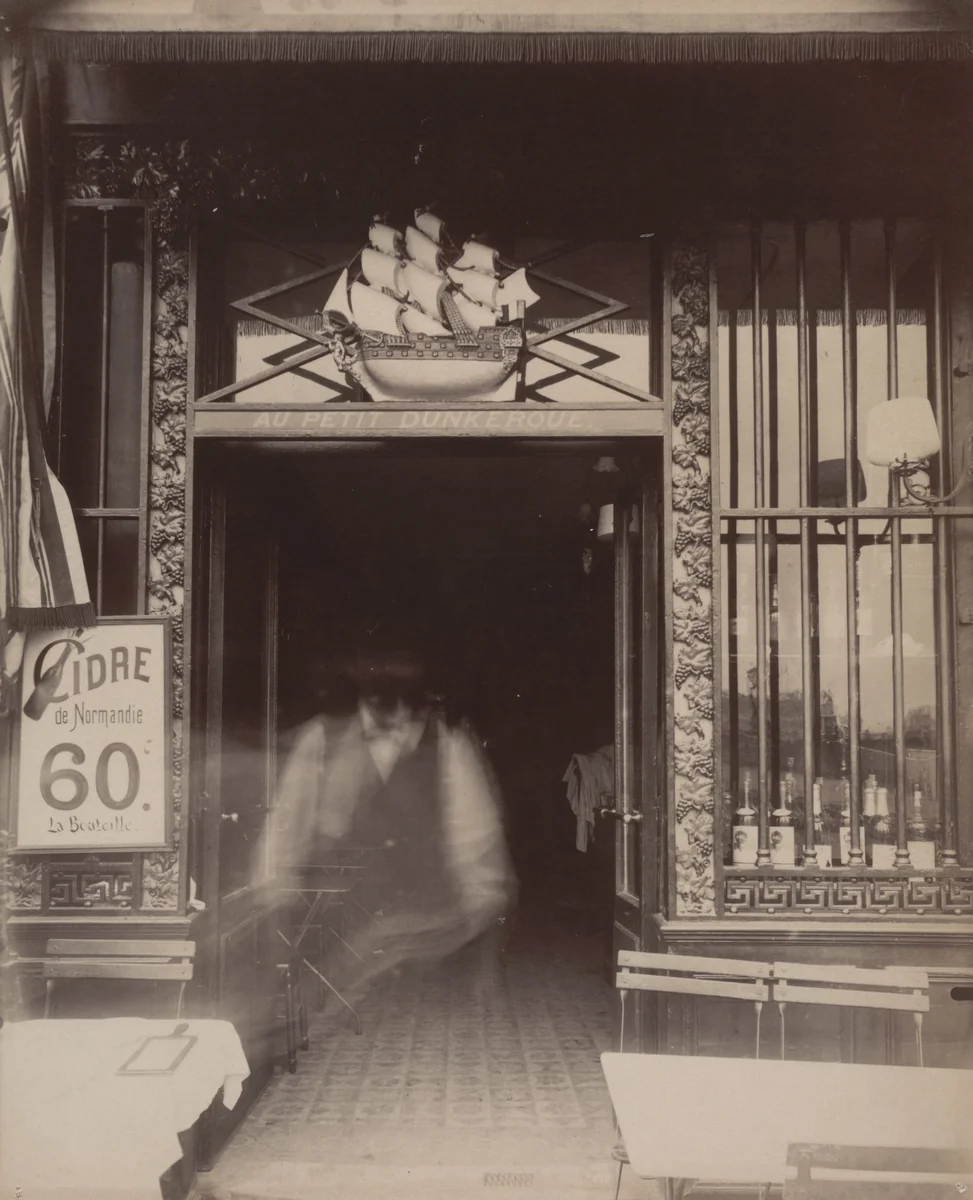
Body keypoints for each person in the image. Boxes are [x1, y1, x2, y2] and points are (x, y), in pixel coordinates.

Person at [256, 626, 516, 1001]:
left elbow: (478, 851)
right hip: (338, 957)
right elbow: (283, 839)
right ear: (361, 683)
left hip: (425, 955)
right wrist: (277, 932)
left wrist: (483, 961)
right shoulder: (321, 740)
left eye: (406, 695)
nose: (399, 712)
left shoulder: (448, 745)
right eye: (384, 694)